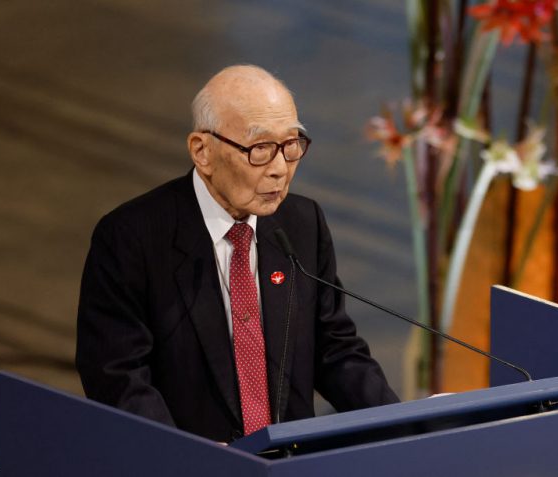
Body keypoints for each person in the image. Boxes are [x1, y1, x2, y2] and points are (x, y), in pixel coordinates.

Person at [76, 64, 399, 443]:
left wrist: (406, 431)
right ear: (202, 151)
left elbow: (336, 351)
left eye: (291, 146)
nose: (280, 169)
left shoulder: (302, 224)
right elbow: (120, 379)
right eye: (260, 149)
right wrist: (188, 462)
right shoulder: (132, 239)